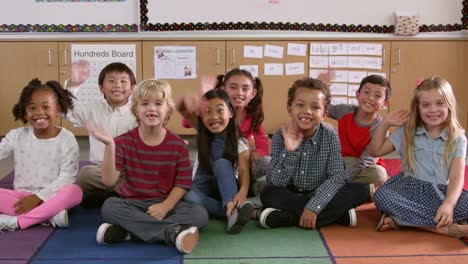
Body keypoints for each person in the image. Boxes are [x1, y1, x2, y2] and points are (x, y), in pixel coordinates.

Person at [86, 79, 208, 254]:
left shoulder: (178, 144)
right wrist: (109, 146)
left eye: (158, 103)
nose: (152, 108)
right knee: (109, 206)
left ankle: (129, 231)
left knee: (200, 214)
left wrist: (165, 206)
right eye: (145, 104)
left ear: (168, 110)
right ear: (136, 109)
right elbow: (108, 181)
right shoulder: (122, 142)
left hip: (166, 204)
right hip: (131, 204)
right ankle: (171, 232)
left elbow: (182, 184)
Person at [257, 77, 372, 230]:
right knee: (268, 193)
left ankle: (288, 217)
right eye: (300, 105)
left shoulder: (330, 135)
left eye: (315, 107)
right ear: (290, 108)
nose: (307, 111)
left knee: (360, 191)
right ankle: (338, 215)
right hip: (292, 195)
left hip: (322, 193)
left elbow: (337, 176)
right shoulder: (280, 135)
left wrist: (313, 207)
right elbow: (276, 182)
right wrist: (290, 151)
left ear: (324, 112)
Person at [368, 76, 468, 240]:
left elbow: (457, 177)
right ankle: (445, 229)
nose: (433, 109)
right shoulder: (408, 131)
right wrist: (385, 123)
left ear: (449, 105)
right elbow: (375, 150)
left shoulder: (458, 138)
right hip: (409, 190)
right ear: (418, 107)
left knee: (462, 205)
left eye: (439, 103)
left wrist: (449, 204)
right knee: (381, 196)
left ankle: (400, 221)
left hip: (443, 193)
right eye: (426, 105)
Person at [0, 79, 82, 231]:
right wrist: (31, 199)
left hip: (53, 196)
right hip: (20, 197)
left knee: (75, 192)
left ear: (57, 109)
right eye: (32, 108)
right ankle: (50, 216)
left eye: (45, 107)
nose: (39, 113)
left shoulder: (67, 139)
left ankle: (17, 222)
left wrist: (39, 197)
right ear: (25, 111)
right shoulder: (16, 135)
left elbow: (67, 177)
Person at [182, 69, 270, 196]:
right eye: (233, 87)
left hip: (239, 165)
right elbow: (186, 123)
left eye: (245, 89)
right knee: (187, 167)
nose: (239, 93)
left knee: (266, 163)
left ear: (253, 93)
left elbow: (263, 150)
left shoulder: (253, 118)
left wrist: (247, 154)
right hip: (216, 163)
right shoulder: (214, 113)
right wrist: (204, 102)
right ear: (223, 89)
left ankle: (248, 188)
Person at [177, 88, 253, 234]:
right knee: (187, 194)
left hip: (227, 188)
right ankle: (231, 212)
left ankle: (231, 208)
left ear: (230, 113)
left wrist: (243, 192)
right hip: (203, 186)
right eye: (207, 112)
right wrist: (189, 99)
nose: (214, 117)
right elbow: (181, 107)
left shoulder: (239, 141)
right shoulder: (203, 130)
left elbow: (244, 170)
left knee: (221, 163)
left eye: (219, 110)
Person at [64, 61, 137, 208]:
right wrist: (74, 84)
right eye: (111, 81)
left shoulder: (138, 111)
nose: (117, 85)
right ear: (101, 88)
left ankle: (108, 195)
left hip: (129, 171)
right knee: (85, 174)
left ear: (133, 89)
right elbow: (66, 109)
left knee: (139, 179)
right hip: (100, 170)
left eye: (123, 81)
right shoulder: (93, 109)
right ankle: (120, 195)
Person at [328, 75, 391, 187]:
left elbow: (366, 161)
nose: (370, 98)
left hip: (361, 167)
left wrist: (339, 178)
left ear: (384, 104)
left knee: (379, 174)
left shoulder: (380, 128)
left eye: (377, 96)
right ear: (357, 94)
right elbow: (323, 108)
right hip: (338, 160)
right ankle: (355, 188)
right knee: (323, 126)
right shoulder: (344, 111)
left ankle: (337, 184)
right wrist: (323, 88)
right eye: (366, 92)